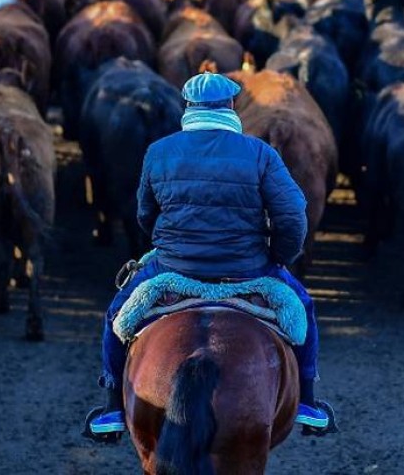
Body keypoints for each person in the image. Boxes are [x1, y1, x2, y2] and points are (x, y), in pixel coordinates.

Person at [85, 71, 333, 439]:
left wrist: (172, 241)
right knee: (304, 307)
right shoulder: (260, 153)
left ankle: (112, 408)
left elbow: (144, 215)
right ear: (231, 106)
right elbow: (293, 213)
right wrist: (278, 256)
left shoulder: (159, 151)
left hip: (172, 268)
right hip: (248, 270)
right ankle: (308, 403)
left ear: (188, 107)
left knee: (115, 315)